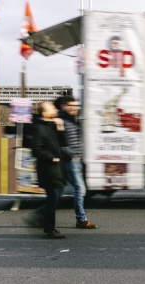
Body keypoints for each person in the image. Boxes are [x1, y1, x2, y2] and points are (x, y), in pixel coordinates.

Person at [56, 96, 98, 229]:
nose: (74, 108)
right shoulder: (61, 121)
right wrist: (71, 153)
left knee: (60, 191)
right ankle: (81, 219)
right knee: (80, 189)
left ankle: (40, 215)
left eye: (75, 105)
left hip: (77, 161)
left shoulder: (71, 120)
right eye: (71, 105)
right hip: (71, 161)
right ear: (64, 106)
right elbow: (58, 144)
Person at [31, 102, 67, 239]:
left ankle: (40, 218)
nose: (55, 109)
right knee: (53, 200)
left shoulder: (53, 125)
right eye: (51, 108)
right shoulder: (39, 128)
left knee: (55, 200)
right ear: (45, 114)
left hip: (58, 169)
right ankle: (49, 229)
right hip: (49, 170)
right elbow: (36, 149)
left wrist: (60, 127)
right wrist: (52, 158)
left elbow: (64, 144)